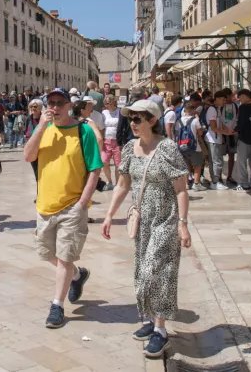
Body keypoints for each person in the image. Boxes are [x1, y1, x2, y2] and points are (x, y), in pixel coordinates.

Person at [101, 99, 190, 359]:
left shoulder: (167, 148)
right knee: (142, 271)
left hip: (166, 219)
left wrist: (183, 225)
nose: (133, 124)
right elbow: (122, 184)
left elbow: (182, 189)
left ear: (152, 120)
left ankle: (160, 332)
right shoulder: (129, 148)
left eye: (138, 119)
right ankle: (150, 321)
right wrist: (108, 216)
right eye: (130, 119)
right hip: (142, 221)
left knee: (157, 271)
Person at [23, 88, 102, 329]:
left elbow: (95, 169)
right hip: (45, 204)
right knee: (48, 254)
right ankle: (78, 276)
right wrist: (40, 127)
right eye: (51, 103)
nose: (54, 108)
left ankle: (57, 305)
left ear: (69, 105)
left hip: (72, 206)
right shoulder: (43, 130)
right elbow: (28, 156)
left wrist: (82, 203)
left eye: (59, 103)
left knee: (65, 257)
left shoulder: (83, 131)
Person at [204, 91, 232, 190]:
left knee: (216, 161)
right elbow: (213, 127)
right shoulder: (212, 110)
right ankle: (215, 182)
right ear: (217, 99)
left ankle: (215, 180)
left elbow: (220, 123)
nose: (224, 101)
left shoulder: (218, 109)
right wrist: (225, 133)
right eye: (223, 99)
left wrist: (227, 129)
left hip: (217, 138)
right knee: (217, 161)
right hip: (213, 139)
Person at [176, 101, 206, 191]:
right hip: (194, 147)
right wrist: (197, 118)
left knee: (185, 166)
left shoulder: (179, 120)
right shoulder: (195, 120)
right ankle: (196, 184)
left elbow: (177, 133)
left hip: (181, 146)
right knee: (197, 165)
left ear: (185, 110)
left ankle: (186, 184)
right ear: (193, 110)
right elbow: (200, 133)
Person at [100, 95, 122, 186]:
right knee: (104, 161)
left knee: (118, 164)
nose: (106, 105)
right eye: (105, 103)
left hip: (117, 141)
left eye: (108, 103)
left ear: (113, 102)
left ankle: (117, 184)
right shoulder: (104, 112)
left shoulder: (120, 112)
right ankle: (109, 181)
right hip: (106, 140)